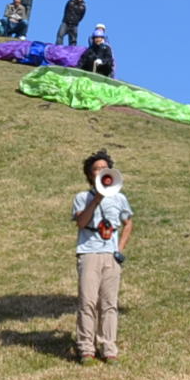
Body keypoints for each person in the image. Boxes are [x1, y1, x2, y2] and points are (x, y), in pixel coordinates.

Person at [70, 150, 132, 364]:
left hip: (110, 255)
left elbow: (128, 223)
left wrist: (119, 249)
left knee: (109, 303)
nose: (99, 172)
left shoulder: (120, 198)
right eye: (95, 169)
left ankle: (109, 348)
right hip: (88, 254)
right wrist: (96, 199)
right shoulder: (81, 198)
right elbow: (80, 222)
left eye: (103, 168)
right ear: (89, 174)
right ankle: (86, 348)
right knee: (87, 301)